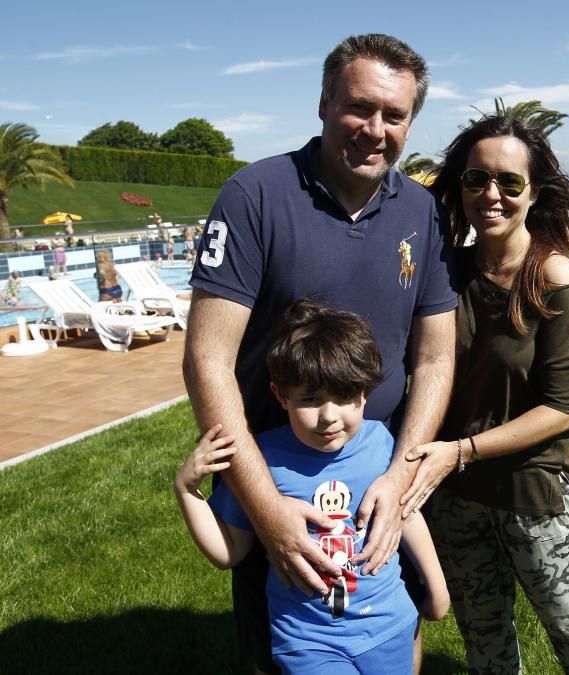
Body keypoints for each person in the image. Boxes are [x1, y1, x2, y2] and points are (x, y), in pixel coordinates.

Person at [183, 33, 457, 675]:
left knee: (397, 630)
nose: (375, 129)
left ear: (411, 122)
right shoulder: (256, 196)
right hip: (278, 475)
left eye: (395, 116)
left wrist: (402, 478)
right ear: (324, 102)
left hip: (380, 474)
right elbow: (207, 358)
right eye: (359, 108)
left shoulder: (423, 211)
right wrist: (264, 507)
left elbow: (437, 358)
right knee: (284, 649)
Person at [403, 114, 569, 674]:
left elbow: (560, 412)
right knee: (485, 643)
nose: (490, 195)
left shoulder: (552, 277)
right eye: (476, 180)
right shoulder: (445, 272)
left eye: (509, 182)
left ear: (535, 193)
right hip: (455, 499)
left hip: (531, 493)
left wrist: (459, 451)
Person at [175, 300, 449, 674]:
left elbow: (406, 515)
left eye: (345, 397)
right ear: (280, 395)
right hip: (308, 641)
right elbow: (229, 552)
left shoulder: (381, 443)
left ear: (365, 393)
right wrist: (187, 491)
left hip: (389, 627)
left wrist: (436, 588)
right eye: (310, 399)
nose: (329, 416)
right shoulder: (264, 460)